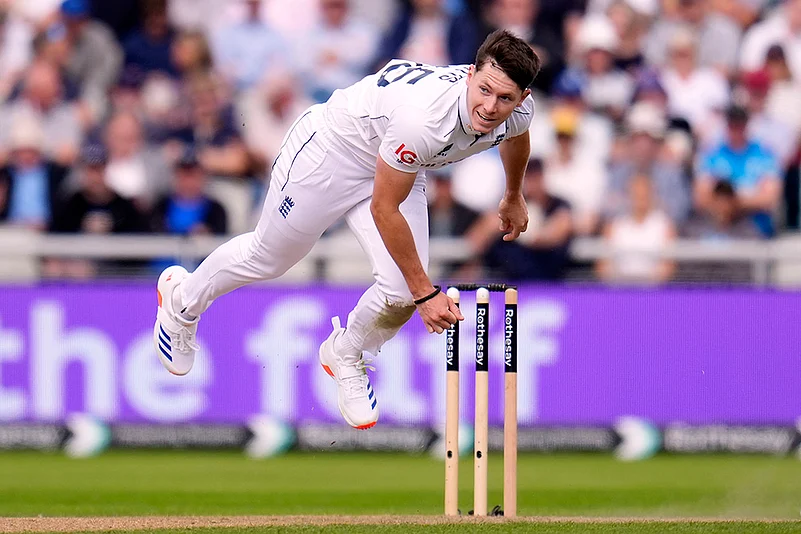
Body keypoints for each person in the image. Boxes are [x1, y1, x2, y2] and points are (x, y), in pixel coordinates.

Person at [154, 30, 540, 430]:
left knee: (400, 290)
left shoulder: (518, 114)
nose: (490, 107)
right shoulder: (424, 122)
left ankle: (346, 353)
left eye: (505, 99)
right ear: (470, 74)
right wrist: (426, 294)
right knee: (269, 258)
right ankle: (181, 301)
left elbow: (516, 136)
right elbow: (383, 208)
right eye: (485, 90)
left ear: (522, 99)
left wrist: (513, 194)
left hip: (396, 165)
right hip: (331, 151)